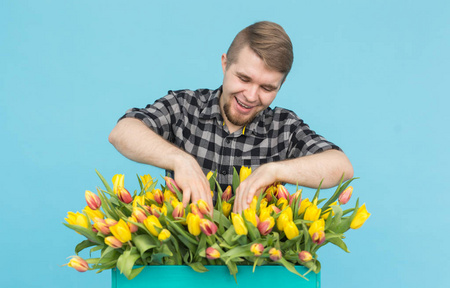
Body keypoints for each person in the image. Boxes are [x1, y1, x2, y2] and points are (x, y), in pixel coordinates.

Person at [109, 21, 353, 214]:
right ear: (225, 64)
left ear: (282, 84)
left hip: (254, 270)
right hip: (183, 267)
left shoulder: (284, 127)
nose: (251, 96)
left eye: (267, 88)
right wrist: (180, 160)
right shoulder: (185, 107)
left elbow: (341, 167)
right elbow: (123, 132)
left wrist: (274, 171)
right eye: (244, 79)